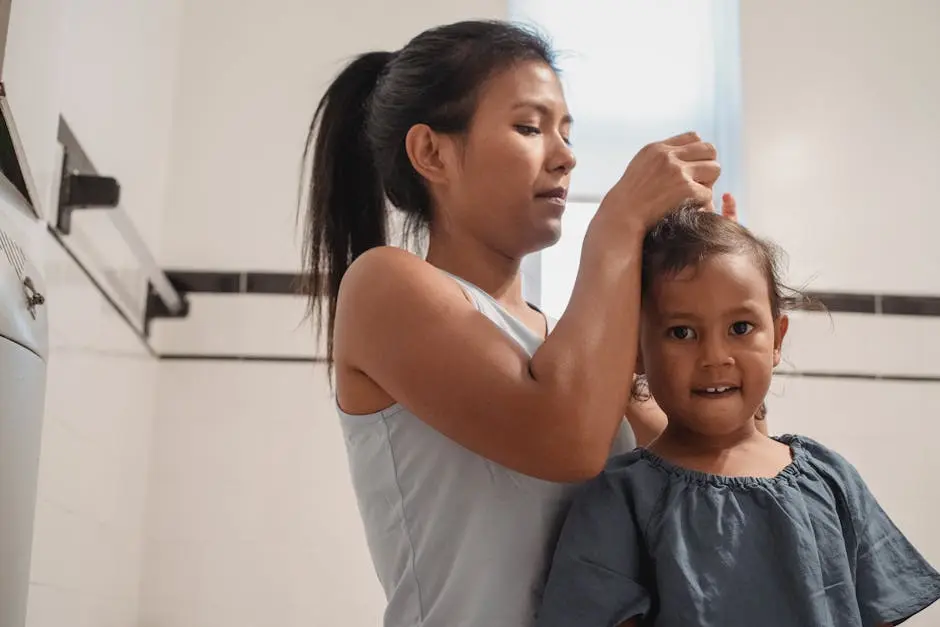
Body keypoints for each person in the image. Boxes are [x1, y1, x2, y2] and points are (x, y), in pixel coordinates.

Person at [534, 205, 940, 627]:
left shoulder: (832, 479)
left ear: (777, 338)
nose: (715, 358)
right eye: (682, 332)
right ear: (636, 349)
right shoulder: (620, 499)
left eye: (741, 328)